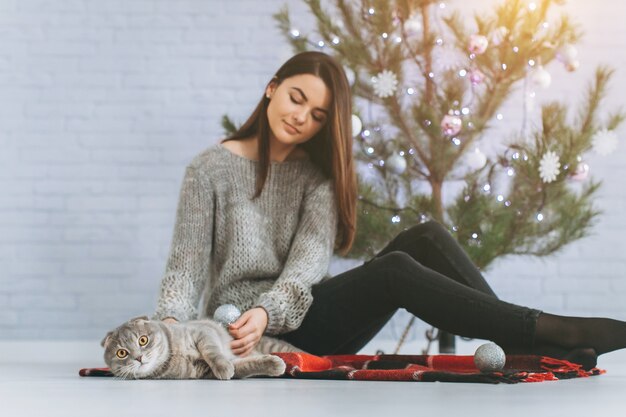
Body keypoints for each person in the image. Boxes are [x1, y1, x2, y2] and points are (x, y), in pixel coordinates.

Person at [152, 51, 625, 370]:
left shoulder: (316, 177)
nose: (302, 117)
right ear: (272, 88)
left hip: (298, 315)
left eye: (318, 115)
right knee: (395, 269)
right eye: (297, 98)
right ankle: (552, 334)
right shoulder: (209, 169)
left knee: (427, 237)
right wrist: (170, 331)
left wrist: (267, 309)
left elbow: (307, 267)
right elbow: (185, 265)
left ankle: (524, 346)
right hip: (250, 336)